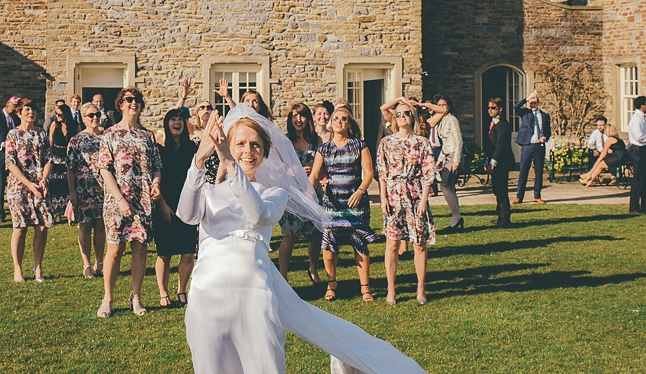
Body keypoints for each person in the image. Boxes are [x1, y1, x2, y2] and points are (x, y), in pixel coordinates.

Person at [177, 106, 427, 374]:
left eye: (255, 145)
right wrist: (198, 162)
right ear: (225, 145)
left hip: (253, 295)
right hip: (206, 296)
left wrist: (229, 163)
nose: (247, 150)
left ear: (265, 153)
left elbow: (257, 215)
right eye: (239, 144)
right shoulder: (210, 192)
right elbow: (187, 214)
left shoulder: (274, 192)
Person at [94, 87, 162, 318]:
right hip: (117, 201)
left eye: (138, 100)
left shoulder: (147, 135)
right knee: (114, 250)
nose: (134, 103)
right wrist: (120, 199)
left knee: (140, 248)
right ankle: (108, 298)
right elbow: (104, 169)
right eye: (129, 100)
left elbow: (156, 167)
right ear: (121, 105)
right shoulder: (110, 134)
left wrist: (155, 185)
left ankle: (136, 296)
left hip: (142, 201)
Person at [309, 105, 381, 302]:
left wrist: (360, 191)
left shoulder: (360, 145)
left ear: (349, 124)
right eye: (336, 119)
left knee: (359, 244)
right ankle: (332, 284)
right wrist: (308, 190)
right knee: (329, 247)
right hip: (332, 205)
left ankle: (365, 287)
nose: (339, 122)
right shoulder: (324, 148)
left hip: (355, 203)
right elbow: (315, 174)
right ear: (331, 123)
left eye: (343, 119)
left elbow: (368, 174)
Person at [376, 99, 436, 305]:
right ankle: (391, 290)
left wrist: (424, 200)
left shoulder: (422, 142)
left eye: (406, 113)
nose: (402, 117)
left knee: (418, 244)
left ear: (413, 117)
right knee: (392, 244)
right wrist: (383, 197)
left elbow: (429, 172)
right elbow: (382, 172)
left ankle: (421, 288)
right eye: (398, 114)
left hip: (415, 193)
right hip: (393, 195)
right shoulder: (387, 142)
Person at [153, 108, 198, 307]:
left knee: (188, 251)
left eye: (180, 119)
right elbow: (155, 178)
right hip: (165, 204)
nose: (177, 123)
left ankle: (181, 290)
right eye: (172, 119)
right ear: (166, 124)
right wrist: (162, 204)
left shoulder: (192, 149)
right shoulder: (160, 150)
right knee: (165, 252)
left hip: (188, 204)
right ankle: (163, 293)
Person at [5, 102, 54, 283]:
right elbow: (10, 163)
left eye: (33, 109)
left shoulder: (41, 133)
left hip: (40, 186)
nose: (31, 112)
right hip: (19, 187)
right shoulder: (13, 134)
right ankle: (17, 269)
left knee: (41, 227)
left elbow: (49, 158)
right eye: (27, 110)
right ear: (19, 113)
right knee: (20, 228)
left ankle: (38, 266)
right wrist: (28, 184)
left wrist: (44, 180)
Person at [278, 102, 322, 283]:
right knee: (289, 234)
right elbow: (277, 165)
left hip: (312, 190)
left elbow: (323, 162)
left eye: (302, 115)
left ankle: (313, 268)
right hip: (292, 192)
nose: (298, 119)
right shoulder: (285, 140)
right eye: (295, 116)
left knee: (316, 232)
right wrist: (291, 171)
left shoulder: (316, 140)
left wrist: (312, 168)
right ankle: (283, 275)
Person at [408, 95, 464, 231]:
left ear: (449, 106)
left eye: (443, 105)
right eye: (439, 104)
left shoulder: (451, 119)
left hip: (452, 156)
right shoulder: (442, 121)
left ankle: (456, 217)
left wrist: (456, 160)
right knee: (449, 187)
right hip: (445, 156)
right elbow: (445, 143)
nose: (441, 107)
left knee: (444, 186)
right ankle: (457, 218)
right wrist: (439, 160)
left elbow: (458, 140)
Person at [67, 102, 107, 278]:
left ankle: (100, 262)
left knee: (101, 225)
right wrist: (72, 192)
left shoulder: (106, 136)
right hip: (83, 188)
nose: (95, 118)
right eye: (91, 115)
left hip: (104, 188)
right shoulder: (77, 140)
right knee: (85, 225)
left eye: (97, 114)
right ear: (83, 118)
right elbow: (70, 167)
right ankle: (86, 264)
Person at [0, 96, 21, 223]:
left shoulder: (16, 119)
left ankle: (16, 210)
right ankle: (0, 213)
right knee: (0, 185)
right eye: (14, 107)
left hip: (15, 157)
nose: (16, 109)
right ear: (8, 105)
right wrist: (1, 144)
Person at [513, 90, 551, 205]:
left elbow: (548, 131)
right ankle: (519, 196)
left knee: (539, 172)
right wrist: (527, 98)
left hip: (539, 146)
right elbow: (515, 106)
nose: (533, 105)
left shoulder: (544, 115)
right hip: (527, 145)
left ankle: (537, 196)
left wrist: (545, 137)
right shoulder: (525, 113)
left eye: (535, 103)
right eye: (531, 103)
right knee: (523, 171)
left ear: (538, 103)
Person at [484, 97, 515, 227]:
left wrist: (493, 162)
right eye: (489, 108)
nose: (490, 110)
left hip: (501, 162)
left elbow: (501, 145)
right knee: (497, 190)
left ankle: (504, 219)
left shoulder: (503, 125)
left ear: (500, 109)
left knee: (501, 191)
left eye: (493, 108)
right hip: (494, 160)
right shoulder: (493, 123)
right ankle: (501, 216)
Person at [46, 103, 77, 224]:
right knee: (56, 186)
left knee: (68, 185)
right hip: (56, 157)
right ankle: (57, 212)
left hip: (69, 157)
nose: (57, 116)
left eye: (60, 114)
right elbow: (50, 142)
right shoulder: (54, 125)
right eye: (56, 114)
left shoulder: (74, 126)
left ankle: (69, 211)